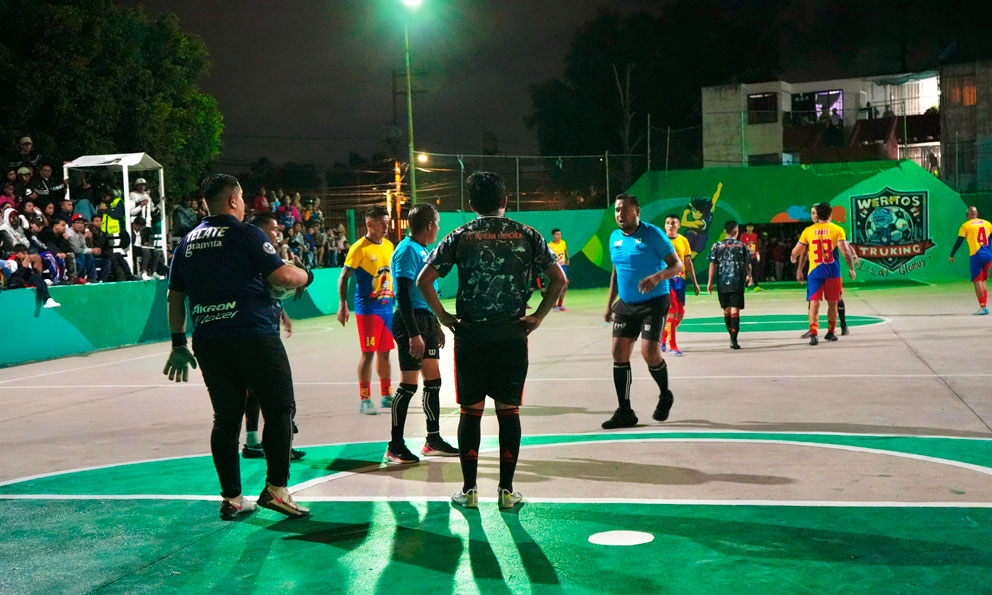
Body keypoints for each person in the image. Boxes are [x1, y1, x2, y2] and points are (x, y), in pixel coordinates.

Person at [163, 173, 314, 520]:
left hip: (209, 340)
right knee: (280, 408)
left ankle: (232, 498)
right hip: (253, 335)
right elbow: (282, 276)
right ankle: (276, 490)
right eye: (242, 198)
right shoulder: (246, 233)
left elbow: (174, 297)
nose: (244, 204)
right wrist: (307, 275)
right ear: (233, 200)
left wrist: (178, 343)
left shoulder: (186, 243)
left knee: (225, 419)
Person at [417, 171, 566, 510]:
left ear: (471, 203)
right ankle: (506, 491)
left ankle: (469, 491)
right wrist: (538, 317)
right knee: (508, 411)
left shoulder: (459, 235)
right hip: (512, 335)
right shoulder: (528, 235)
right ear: (505, 200)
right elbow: (558, 279)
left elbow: (424, 280)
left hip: (470, 336)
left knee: (470, 412)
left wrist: (444, 317)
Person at [384, 203, 458, 464]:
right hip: (410, 321)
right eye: (437, 224)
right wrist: (414, 333)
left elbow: (426, 293)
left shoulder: (422, 249)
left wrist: (435, 324)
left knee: (433, 380)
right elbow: (403, 294)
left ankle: (433, 440)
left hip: (425, 319)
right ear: (429, 225)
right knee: (408, 384)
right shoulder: (406, 250)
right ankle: (395, 445)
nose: (438, 229)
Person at [602, 194, 683, 430]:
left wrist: (657, 277)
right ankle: (625, 411)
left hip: (654, 302)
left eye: (625, 209)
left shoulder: (653, 234)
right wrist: (609, 304)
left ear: (637, 211)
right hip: (626, 304)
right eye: (617, 210)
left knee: (649, 353)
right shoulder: (614, 237)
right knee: (618, 352)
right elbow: (616, 272)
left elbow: (677, 265)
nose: (620, 214)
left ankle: (665, 394)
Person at [241, 210, 306, 461]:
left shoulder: (266, 255)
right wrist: (303, 277)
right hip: (257, 332)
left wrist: (282, 313)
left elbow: (270, 291)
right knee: (276, 392)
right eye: (274, 229)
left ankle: (253, 442)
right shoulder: (256, 255)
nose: (278, 233)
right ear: (260, 231)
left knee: (256, 390)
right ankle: (279, 447)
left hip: (265, 325)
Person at [337, 205, 395, 415]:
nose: (386, 227)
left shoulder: (389, 245)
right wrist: (343, 304)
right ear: (369, 224)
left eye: (387, 222)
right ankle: (365, 399)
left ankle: (386, 395)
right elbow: (343, 277)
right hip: (368, 310)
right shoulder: (359, 248)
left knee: (385, 353)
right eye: (382, 223)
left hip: (387, 308)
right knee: (368, 354)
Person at [791, 203, 858, 345]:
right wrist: (851, 267)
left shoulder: (808, 231)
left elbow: (797, 251)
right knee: (833, 304)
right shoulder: (837, 229)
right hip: (833, 272)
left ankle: (814, 334)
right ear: (830, 214)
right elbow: (845, 251)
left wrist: (793, 257)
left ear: (818, 215)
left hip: (815, 273)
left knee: (814, 304)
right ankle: (831, 332)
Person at [707, 220, 752, 350]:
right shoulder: (742, 245)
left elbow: (712, 264)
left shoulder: (717, 246)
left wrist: (710, 282)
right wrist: (750, 275)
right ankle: (734, 339)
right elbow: (748, 263)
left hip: (722, 282)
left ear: (725, 231)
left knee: (726, 310)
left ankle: (731, 336)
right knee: (735, 310)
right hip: (737, 282)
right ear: (736, 231)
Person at [661, 214, 701, 355]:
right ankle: (673, 347)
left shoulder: (683, 240)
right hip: (666, 281)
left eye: (673, 223)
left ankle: (663, 336)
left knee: (680, 313)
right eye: (667, 223)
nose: (670, 225)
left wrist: (695, 283)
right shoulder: (661, 240)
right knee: (673, 311)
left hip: (680, 281)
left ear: (679, 225)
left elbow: (688, 263)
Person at [949, 206, 992, 315]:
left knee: (977, 281)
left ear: (967, 215)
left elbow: (959, 241)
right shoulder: (988, 224)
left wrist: (952, 255)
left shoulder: (966, 226)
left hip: (976, 256)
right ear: (977, 214)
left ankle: (983, 307)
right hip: (988, 256)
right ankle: (984, 306)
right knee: (983, 281)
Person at [1, 244, 61, 308]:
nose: (25, 255)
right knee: (18, 279)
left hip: (25, 280)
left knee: (36, 277)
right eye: (23, 253)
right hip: (14, 283)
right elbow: (12, 277)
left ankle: (48, 300)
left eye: (26, 253)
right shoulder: (11, 262)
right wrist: (24, 267)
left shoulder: (25, 259)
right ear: (16, 254)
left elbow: (29, 274)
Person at [548, 228, 570, 311]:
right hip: (555, 268)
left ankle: (560, 305)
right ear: (553, 236)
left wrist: (567, 259)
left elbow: (565, 251)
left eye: (560, 234)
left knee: (565, 285)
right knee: (556, 285)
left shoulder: (563, 242)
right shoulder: (550, 245)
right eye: (557, 234)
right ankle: (554, 305)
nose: (559, 236)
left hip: (563, 267)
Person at [739, 223, 762, 291]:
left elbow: (756, 245)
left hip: (753, 256)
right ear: (746, 228)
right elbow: (741, 245)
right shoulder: (743, 235)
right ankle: (746, 286)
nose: (749, 228)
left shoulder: (755, 235)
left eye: (751, 227)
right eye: (748, 227)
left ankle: (756, 286)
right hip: (746, 256)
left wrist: (757, 253)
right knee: (746, 271)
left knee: (754, 271)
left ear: (753, 228)